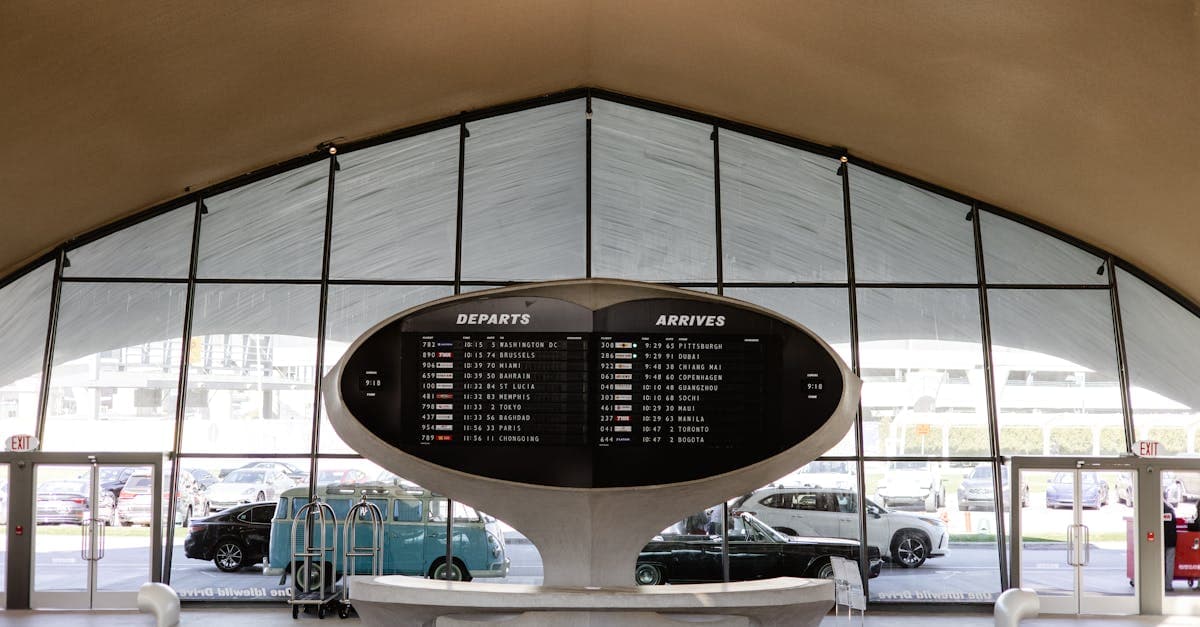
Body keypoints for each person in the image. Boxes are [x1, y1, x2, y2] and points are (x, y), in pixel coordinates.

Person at [1164, 499, 1177, 592]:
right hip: (1171, 541)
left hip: (1160, 541)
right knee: (1169, 563)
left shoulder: (1156, 509)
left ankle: (1158, 583)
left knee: (1159, 563)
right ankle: (1168, 585)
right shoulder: (1171, 508)